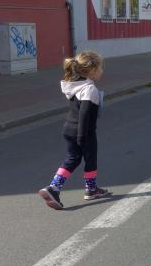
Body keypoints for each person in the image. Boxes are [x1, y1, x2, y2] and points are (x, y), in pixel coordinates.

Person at [38, 51, 111, 210]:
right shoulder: (89, 89)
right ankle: (91, 189)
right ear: (92, 70)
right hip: (84, 131)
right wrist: (82, 136)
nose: (102, 71)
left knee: (73, 158)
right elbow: (84, 114)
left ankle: (54, 187)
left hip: (69, 129)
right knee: (90, 159)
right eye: (100, 67)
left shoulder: (75, 86)